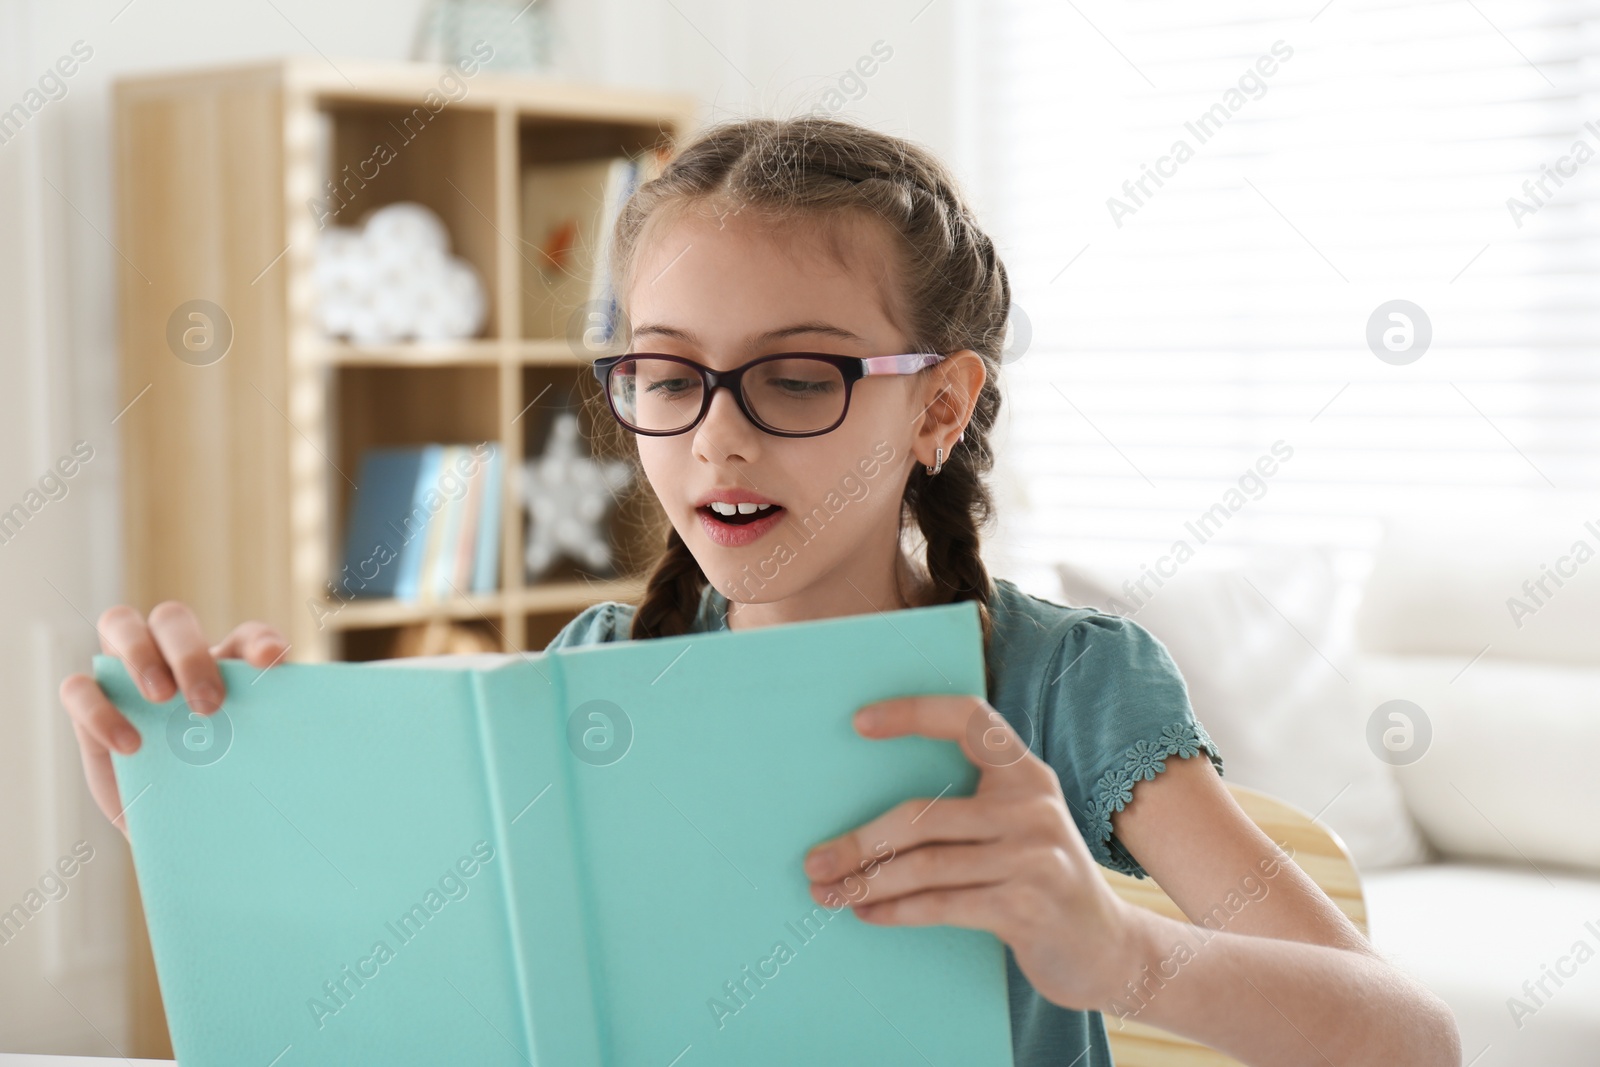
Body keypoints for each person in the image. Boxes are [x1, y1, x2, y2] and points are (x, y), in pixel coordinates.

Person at [59, 115, 1459, 1066]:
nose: (717, 436)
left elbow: (1409, 1038)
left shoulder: (1061, 681)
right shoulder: (595, 671)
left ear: (939, 408)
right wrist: (207, 820)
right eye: (667, 377)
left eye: (798, 377)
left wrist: (1120, 956)